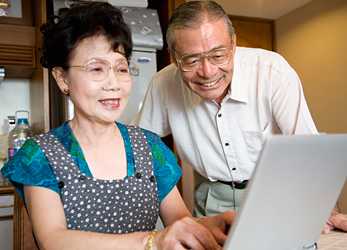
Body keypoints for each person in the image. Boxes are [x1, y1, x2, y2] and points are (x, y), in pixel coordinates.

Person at [1, 2, 234, 250]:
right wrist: (152, 241)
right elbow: (55, 240)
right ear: (62, 77)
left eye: (121, 68)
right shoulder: (40, 154)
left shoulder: (149, 147)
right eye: (97, 69)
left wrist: (210, 226)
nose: (114, 83)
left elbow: (180, 222)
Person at [135, 0, 320, 216]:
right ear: (175, 58)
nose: (207, 72)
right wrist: (168, 183)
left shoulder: (271, 71)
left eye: (218, 55)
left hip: (277, 193)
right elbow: (140, 147)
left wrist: (322, 207)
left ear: (233, 44)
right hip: (212, 200)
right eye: (192, 60)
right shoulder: (163, 84)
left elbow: (309, 149)